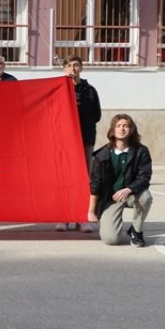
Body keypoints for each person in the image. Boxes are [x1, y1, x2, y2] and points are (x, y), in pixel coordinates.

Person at [88, 115, 153, 247]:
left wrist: (129, 189)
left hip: (131, 194)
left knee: (145, 197)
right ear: (112, 130)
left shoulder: (141, 151)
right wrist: (92, 211)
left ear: (131, 129)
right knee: (111, 240)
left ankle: (136, 231)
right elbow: (95, 184)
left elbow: (144, 177)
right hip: (110, 198)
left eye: (125, 126)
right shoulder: (102, 155)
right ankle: (117, 227)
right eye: (118, 126)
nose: (122, 129)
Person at [58, 56, 103, 232]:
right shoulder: (58, 89)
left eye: (76, 65)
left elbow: (97, 115)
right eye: (69, 65)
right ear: (64, 69)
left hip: (85, 139)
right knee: (65, 178)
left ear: (81, 68)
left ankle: (83, 218)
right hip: (63, 141)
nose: (73, 68)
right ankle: (64, 217)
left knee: (85, 178)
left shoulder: (90, 90)